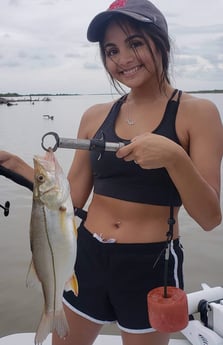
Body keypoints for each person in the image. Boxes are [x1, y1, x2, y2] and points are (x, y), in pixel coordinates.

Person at [0, 0, 223, 344]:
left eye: (135, 43)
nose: (122, 58)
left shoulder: (198, 113)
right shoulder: (95, 115)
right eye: (111, 50)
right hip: (86, 254)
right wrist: (11, 163)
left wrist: (174, 157)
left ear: (161, 40)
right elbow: (68, 197)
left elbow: (209, 218)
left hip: (150, 265)